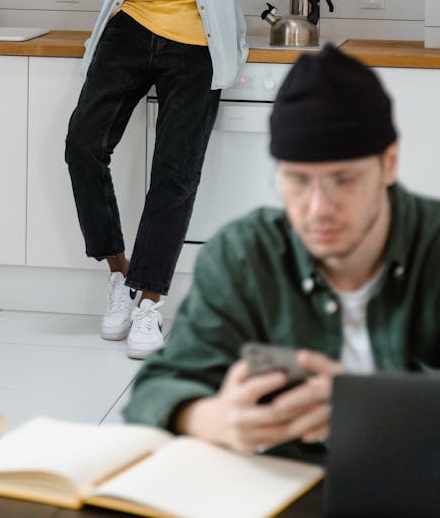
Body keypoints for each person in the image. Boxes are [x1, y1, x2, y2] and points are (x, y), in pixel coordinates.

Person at [124, 44, 440, 457]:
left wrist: (380, 411)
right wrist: (216, 418)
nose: (318, 209)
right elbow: (155, 389)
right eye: (298, 180)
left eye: (343, 180)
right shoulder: (243, 255)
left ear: (389, 164)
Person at [65, 0, 276, 360]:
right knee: (82, 145)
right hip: (130, 27)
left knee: (174, 174)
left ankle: (150, 303)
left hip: (196, 40)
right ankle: (119, 273)